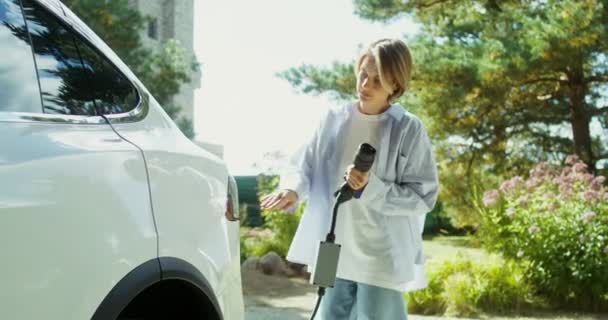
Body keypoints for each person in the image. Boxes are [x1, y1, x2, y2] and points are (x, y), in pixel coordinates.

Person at [261, 38, 439, 320]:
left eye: (377, 80)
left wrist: (372, 187)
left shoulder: (408, 129)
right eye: (363, 75)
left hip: (381, 255)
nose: (365, 85)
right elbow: (303, 165)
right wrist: (292, 189)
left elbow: (423, 196)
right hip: (332, 249)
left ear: (396, 85)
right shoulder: (333, 120)